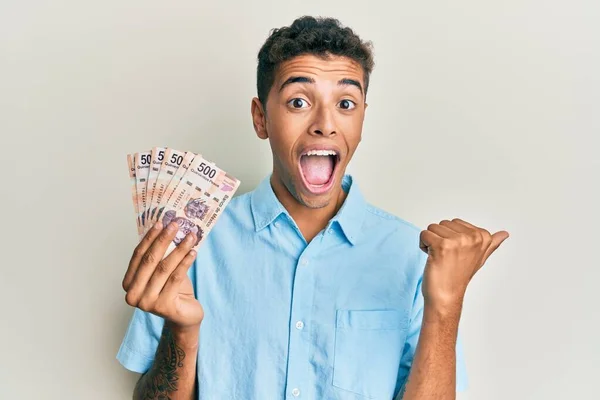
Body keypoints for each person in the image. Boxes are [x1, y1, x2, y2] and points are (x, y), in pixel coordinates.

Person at [117, 16, 509, 400]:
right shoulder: (193, 243)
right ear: (260, 118)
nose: (325, 123)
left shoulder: (414, 256)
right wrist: (181, 332)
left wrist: (445, 305)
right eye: (299, 101)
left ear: (361, 120)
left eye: (345, 103)